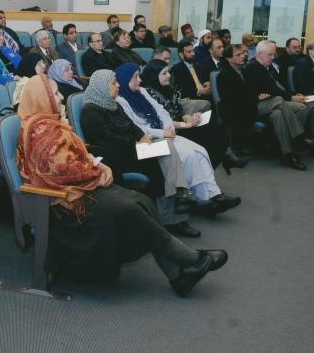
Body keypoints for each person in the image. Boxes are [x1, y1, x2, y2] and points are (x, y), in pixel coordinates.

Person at [17, 74, 227, 293]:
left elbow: (78, 156)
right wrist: (97, 171)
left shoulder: (52, 123)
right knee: (129, 210)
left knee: (142, 201)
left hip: (79, 189)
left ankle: (178, 277)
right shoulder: (41, 131)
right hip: (61, 200)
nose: (61, 98)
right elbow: (62, 170)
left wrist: (98, 165)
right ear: (42, 97)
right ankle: (190, 259)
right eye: (56, 93)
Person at [81, 70, 203, 238]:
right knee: (163, 162)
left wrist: (142, 136)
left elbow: (131, 125)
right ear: (102, 87)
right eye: (113, 82)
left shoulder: (112, 103)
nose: (118, 85)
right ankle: (176, 208)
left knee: (166, 148)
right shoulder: (90, 111)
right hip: (120, 156)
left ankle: (177, 198)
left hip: (134, 149)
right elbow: (106, 140)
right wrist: (137, 142)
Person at [115, 63, 240, 214]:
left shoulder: (142, 91)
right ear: (125, 79)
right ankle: (203, 198)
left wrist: (169, 127)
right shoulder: (120, 100)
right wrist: (163, 133)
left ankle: (214, 195)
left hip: (165, 133)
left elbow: (161, 111)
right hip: (149, 139)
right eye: (135, 77)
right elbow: (136, 127)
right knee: (189, 155)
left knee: (200, 151)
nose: (139, 80)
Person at [243, 40, 314, 169]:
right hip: (259, 105)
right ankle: (297, 139)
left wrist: (293, 95)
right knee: (279, 103)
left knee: (301, 108)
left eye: (273, 54)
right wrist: (290, 97)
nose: (273, 57)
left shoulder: (267, 67)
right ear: (259, 54)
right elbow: (270, 89)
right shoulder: (253, 67)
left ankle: (299, 147)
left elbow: (280, 87)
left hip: (276, 103)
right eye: (270, 55)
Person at [142, 51, 240, 173]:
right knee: (212, 138)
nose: (168, 76)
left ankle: (217, 162)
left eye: (168, 72)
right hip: (172, 132)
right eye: (164, 73)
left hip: (182, 125)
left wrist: (190, 117)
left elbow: (180, 111)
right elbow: (160, 122)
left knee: (215, 126)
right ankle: (219, 161)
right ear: (154, 76)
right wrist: (185, 123)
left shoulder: (167, 89)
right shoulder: (148, 94)